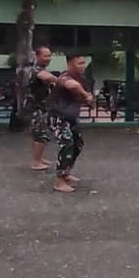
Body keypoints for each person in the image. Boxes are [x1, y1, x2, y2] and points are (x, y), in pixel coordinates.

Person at [47, 52, 96, 193]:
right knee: (66, 142)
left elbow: (89, 97)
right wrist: (85, 95)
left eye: (83, 63)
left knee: (78, 144)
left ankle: (66, 172)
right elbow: (72, 86)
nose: (83, 66)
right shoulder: (64, 77)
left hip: (71, 117)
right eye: (79, 63)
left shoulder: (83, 79)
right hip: (57, 117)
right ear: (69, 64)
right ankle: (58, 181)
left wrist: (88, 98)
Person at [23, 45, 58, 171]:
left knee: (40, 133)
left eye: (50, 55)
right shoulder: (35, 70)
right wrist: (63, 81)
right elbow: (47, 77)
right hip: (36, 107)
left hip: (42, 106)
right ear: (37, 56)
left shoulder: (41, 69)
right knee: (40, 134)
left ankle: (40, 158)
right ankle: (36, 162)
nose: (48, 58)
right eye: (45, 55)